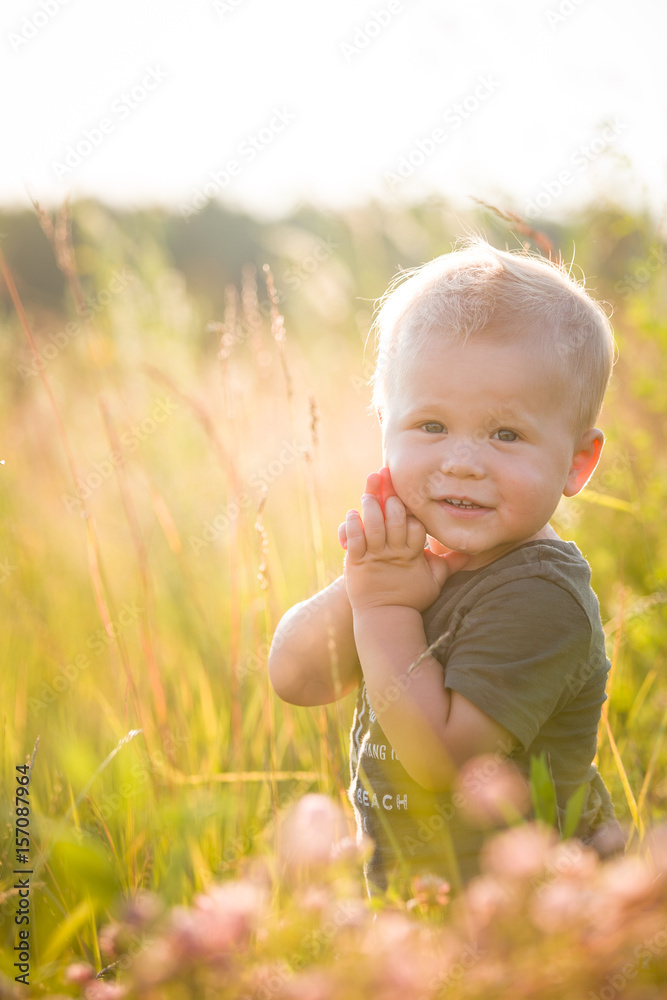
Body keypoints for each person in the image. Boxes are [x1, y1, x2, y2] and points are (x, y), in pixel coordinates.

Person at [268, 239, 622, 898]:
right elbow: (294, 675)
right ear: (384, 429)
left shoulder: (540, 594)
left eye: (504, 434)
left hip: (538, 922)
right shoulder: (410, 564)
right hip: (424, 914)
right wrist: (366, 584)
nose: (461, 461)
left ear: (575, 462)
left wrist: (383, 608)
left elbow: (441, 760)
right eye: (429, 426)